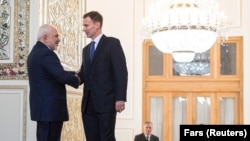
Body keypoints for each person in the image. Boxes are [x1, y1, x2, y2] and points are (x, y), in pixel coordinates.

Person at [78, 11, 128, 141]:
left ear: (97, 24)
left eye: (86, 25)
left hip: (106, 103)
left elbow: (121, 72)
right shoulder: (86, 50)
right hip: (88, 105)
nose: (84, 29)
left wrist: (120, 98)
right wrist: (62, 75)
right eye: (83, 26)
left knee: (106, 138)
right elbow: (83, 74)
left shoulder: (112, 43)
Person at [27, 24, 80, 141]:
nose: (59, 39)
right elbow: (60, 76)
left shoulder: (36, 52)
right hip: (49, 111)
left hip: (44, 111)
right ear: (45, 38)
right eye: (56, 36)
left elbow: (53, 73)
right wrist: (79, 78)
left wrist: (74, 73)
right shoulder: (46, 54)